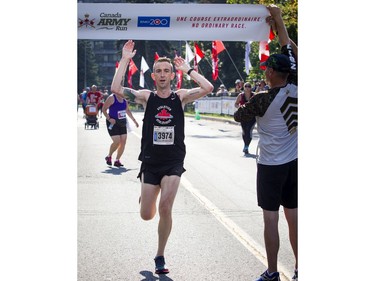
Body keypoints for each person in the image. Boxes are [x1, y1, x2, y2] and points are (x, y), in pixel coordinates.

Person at [111, 40, 213, 275]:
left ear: (172, 75)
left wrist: (189, 70)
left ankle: (160, 255)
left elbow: (208, 88)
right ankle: (146, 196)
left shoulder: (181, 96)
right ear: (154, 76)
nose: (163, 74)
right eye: (158, 71)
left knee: (166, 207)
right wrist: (126, 59)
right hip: (151, 160)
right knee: (147, 215)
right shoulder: (147, 97)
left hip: (174, 161)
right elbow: (116, 89)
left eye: (167, 70)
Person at [234, 4, 298, 281]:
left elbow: (239, 115)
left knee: (270, 219)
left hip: (271, 165)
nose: (263, 73)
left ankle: (272, 272)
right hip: (295, 161)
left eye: (266, 70)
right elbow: (291, 50)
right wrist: (279, 22)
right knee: (293, 217)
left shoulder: (261, 99)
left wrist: (253, 95)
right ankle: (299, 268)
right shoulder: (298, 85)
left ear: (271, 72)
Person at [102, 91, 139, 167]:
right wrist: (109, 119)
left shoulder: (124, 100)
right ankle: (109, 156)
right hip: (113, 122)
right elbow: (104, 109)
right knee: (117, 141)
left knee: (123, 141)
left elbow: (127, 110)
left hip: (122, 122)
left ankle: (117, 160)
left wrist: (134, 121)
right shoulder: (112, 98)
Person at [234, 82, 256, 155]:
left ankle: (246, 146)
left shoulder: (254, 95)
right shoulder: (241, 95)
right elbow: (236, 104)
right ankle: (245, 145)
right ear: (244, 87)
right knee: (244, 131)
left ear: (251, 88)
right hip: (243, 116)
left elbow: (258, 104)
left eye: (249, 86)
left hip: (252, 116)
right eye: (246, 86)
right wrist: (240, 107)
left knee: (249, 130)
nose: (247, 87)